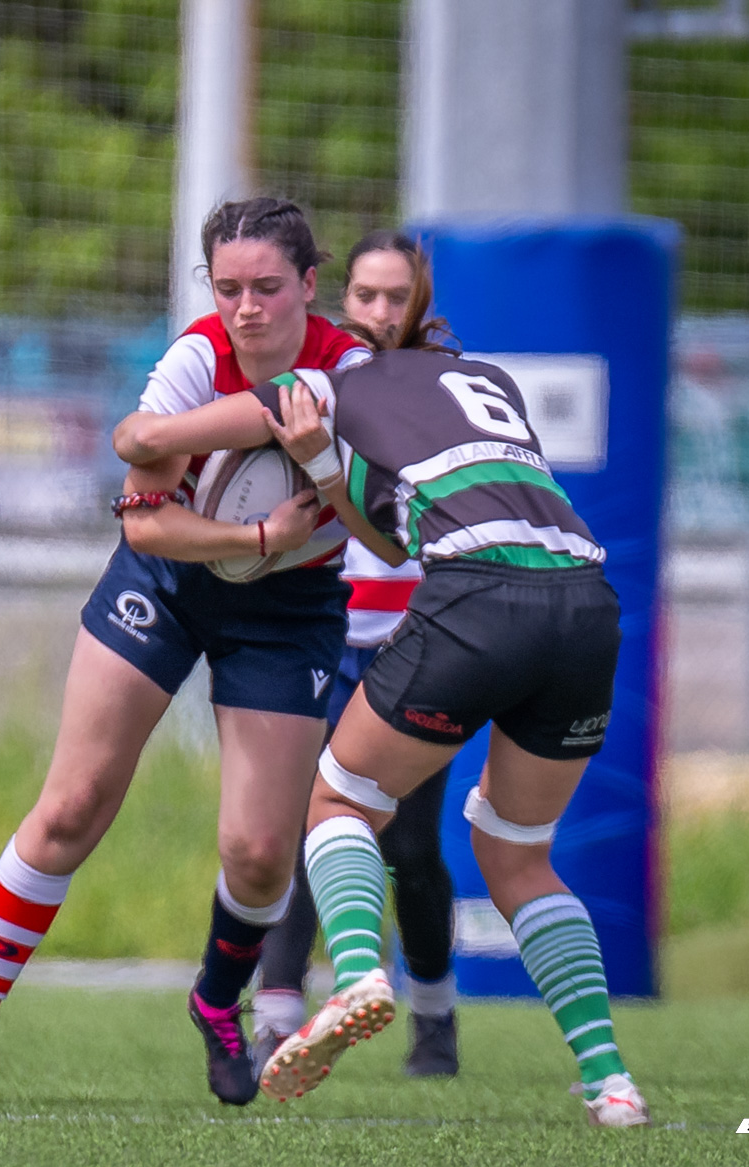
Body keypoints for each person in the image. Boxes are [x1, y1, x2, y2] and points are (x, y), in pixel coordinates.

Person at [122, 267, 647, 1126]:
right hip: (585, 604)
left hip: (478, 596)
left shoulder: (333, 380)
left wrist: (141, 430)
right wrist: (328, 473)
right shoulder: (490, 383)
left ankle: (361, 971)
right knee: (516, 852)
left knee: (336, 798)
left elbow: (158, 438)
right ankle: (611, 1081)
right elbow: (395, 536)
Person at [0, 198, 373, 1106]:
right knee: (73, 801)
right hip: (165, 581)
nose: (246, 307)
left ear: (311, 286)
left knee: (257, 852)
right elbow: (148, 511)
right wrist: (253, 533)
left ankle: (214, 1001)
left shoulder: (354, 375)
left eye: (269, 287)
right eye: (229, 286)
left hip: (289, 610)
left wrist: (244, 460)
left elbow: (377, 522)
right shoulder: (195, 357)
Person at [250, 231, 460, 1079]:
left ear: (421, 305)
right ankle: (277, 1017)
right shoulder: (316, 383)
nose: (379, 313)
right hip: (324, 641)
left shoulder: (449, 389)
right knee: (305, 824)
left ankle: (436, 1019)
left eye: (396, 298)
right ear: (341, 302)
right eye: (365, 297)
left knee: (410, 845)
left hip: (419, 646)